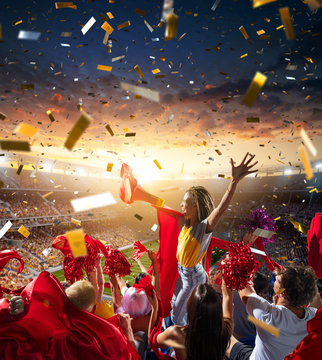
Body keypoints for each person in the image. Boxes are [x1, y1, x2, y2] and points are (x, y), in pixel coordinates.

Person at [171, 153, 258, 325]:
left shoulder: (202, 228)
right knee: (176, 303)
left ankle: (186, 344)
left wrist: (233, 182)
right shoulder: (186, 225)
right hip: (188, 271)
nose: (181, 204)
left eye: (185, 201)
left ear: (195, 206)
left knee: (176, 316)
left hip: (192, 276)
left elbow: (220, 210)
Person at [228, 264, 319, 360]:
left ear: (282, 293)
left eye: (277, 280)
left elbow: (244, 287)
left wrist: (237, 262)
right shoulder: (314, 316)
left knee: (227, 341)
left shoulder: (268, 316)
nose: (275, 277)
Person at [148, 281, 233, 360]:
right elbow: (227, 296)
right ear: (218, 310)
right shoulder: (226, 328)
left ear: (190, 309)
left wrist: (155, 308)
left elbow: (152, 340)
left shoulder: (176, 334)